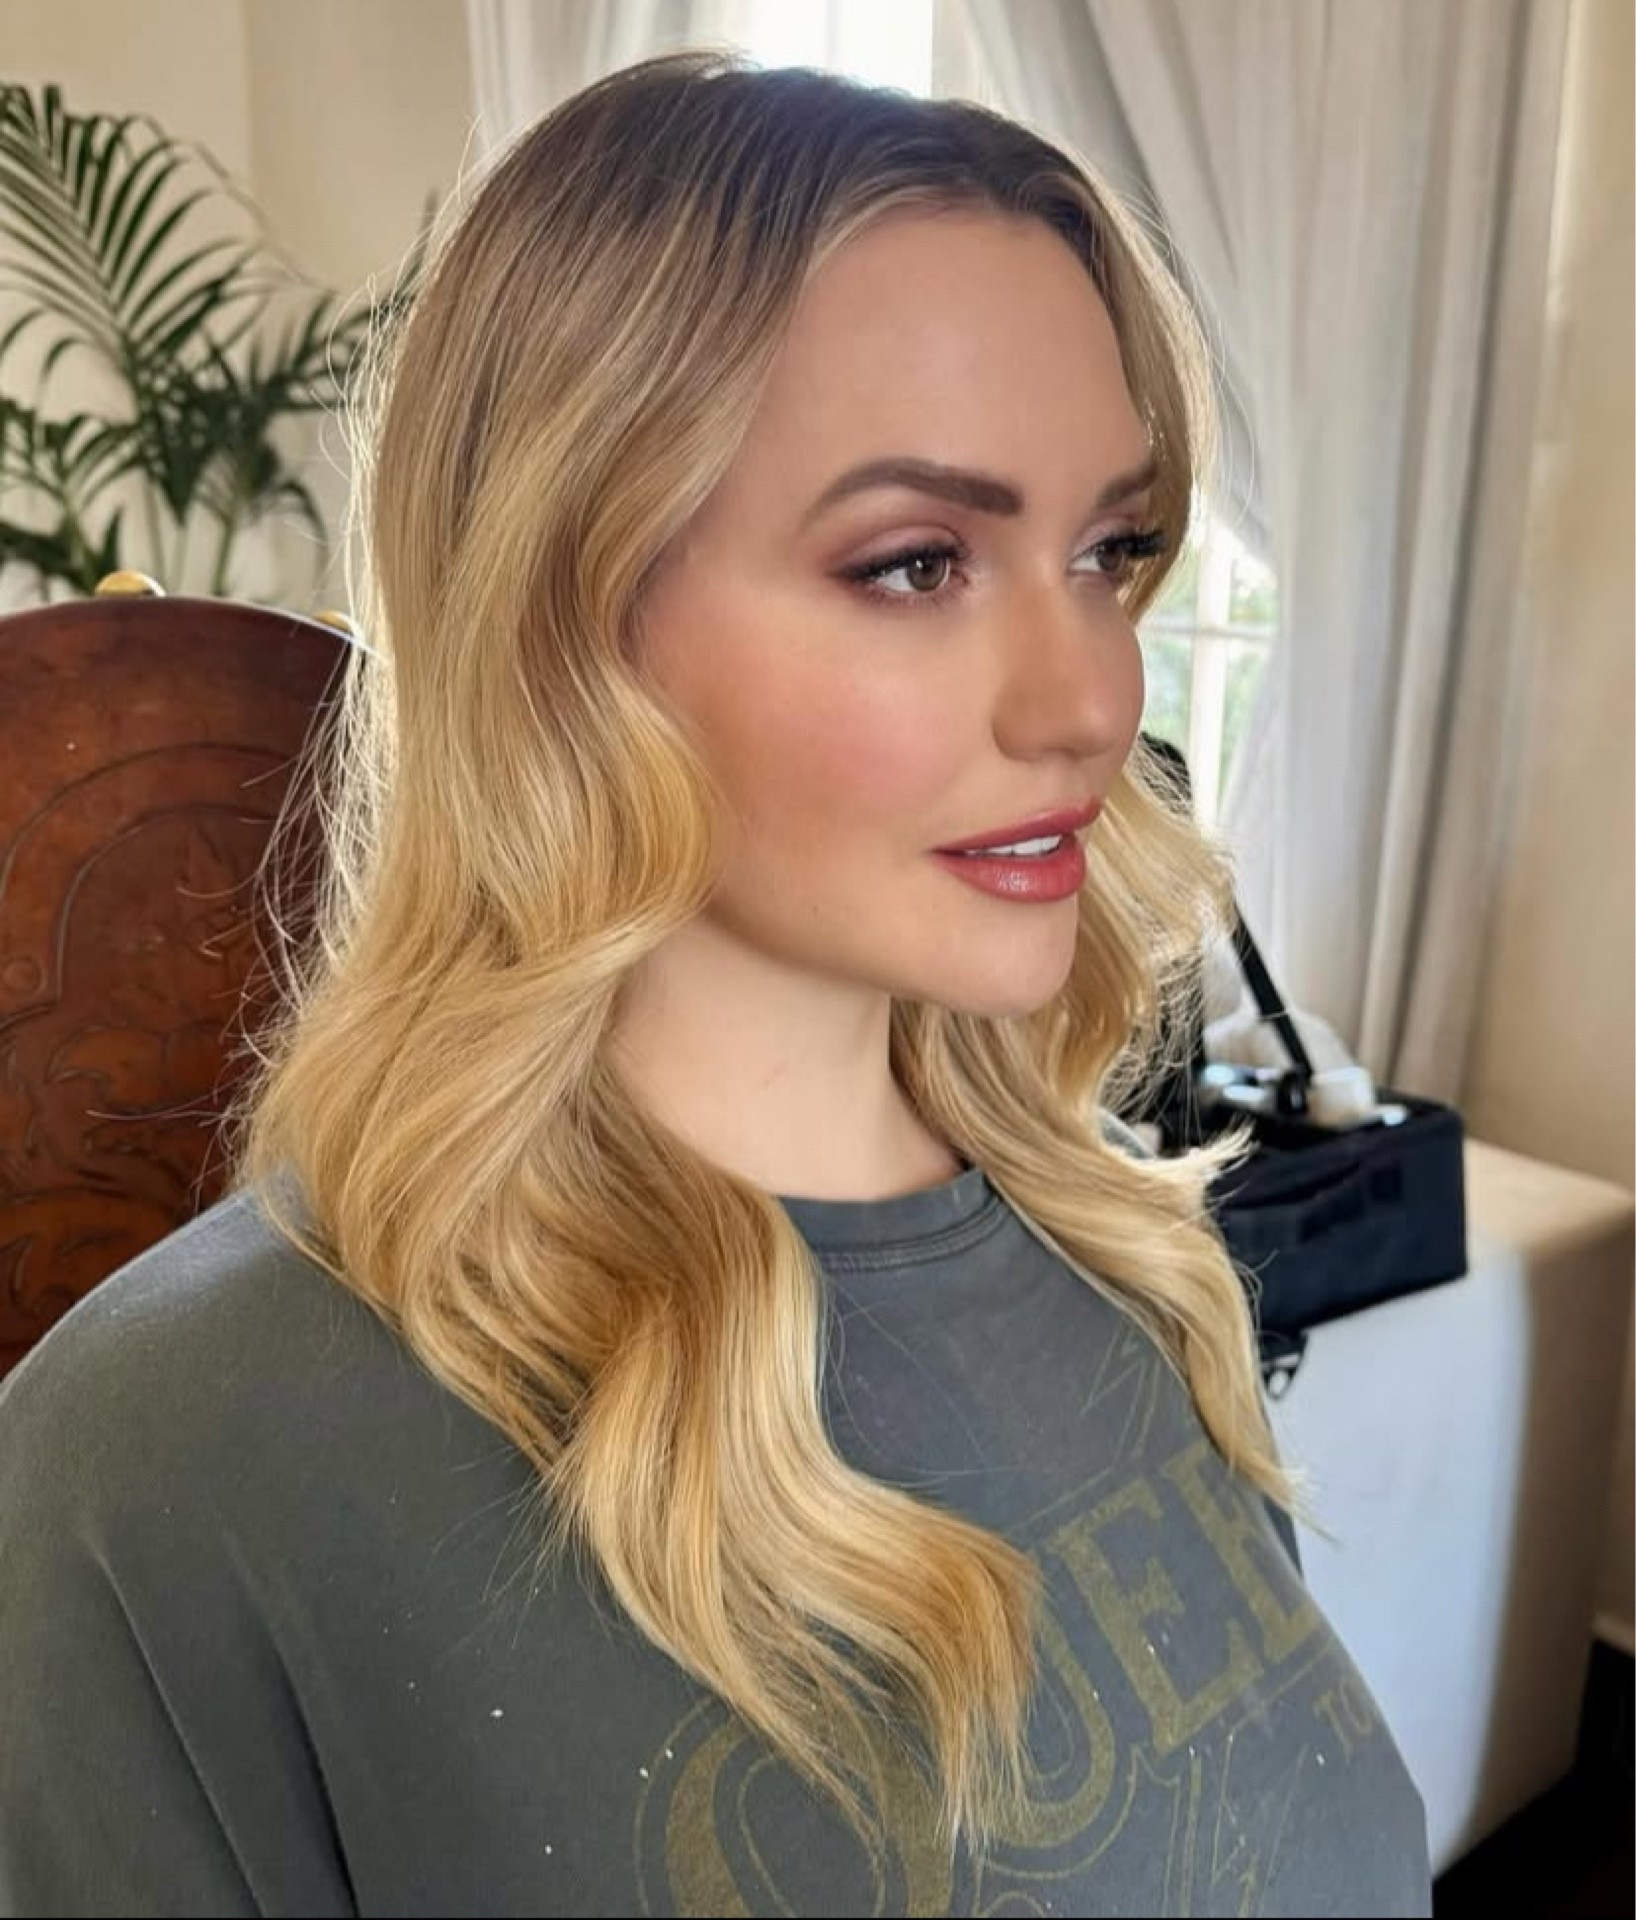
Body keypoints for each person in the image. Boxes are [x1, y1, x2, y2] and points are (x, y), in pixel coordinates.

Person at [0, 48, 1431, 1920]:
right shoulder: (172, 1462)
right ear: (558, 614)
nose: (1094, 697)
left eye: (1110, 550)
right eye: (915, 563)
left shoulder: (1129, 1264)